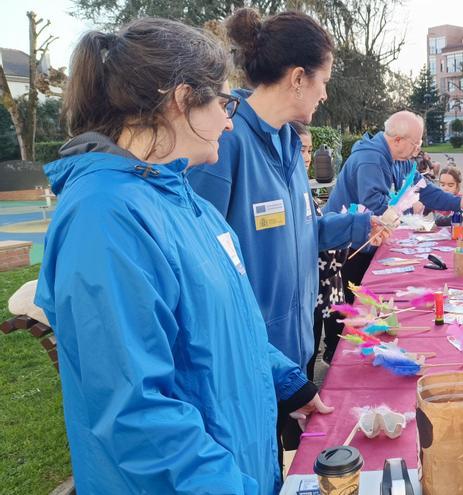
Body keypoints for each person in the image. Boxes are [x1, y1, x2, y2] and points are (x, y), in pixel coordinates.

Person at [35, 19, 328, 494]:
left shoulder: (180, 198)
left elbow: (228, 324)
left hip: (234, 465)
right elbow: (136, 414)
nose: (231, 120)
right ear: (181, 99)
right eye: (224, 102)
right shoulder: (104, 217)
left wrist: (289, 383)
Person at [188, 9, 383, 376]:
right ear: (297, 78)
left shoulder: (290, 144)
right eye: (323, 80)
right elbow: (200, 267)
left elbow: (302, 232)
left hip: (297, 351)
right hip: (249, 361)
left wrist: (359, 225)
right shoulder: (226, 143)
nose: (324, 93)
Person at [324, 111, 463, 302]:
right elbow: (375, 203)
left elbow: (423, 188)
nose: (418, 149)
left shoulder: (399, 161)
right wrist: (407, 212)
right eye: (416, 143)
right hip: (346, 246)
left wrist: (456, 202)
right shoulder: (371, 158)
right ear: (398, 140)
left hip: (366, 238)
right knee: (345, 303)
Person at [288, 122, 346, 380]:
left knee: (317, 343)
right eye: (301, 150)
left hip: (324, 288)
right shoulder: (288, 189)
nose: (308, 157)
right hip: (310, 291)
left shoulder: (300, 189)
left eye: (309, 150)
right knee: (306, 351)